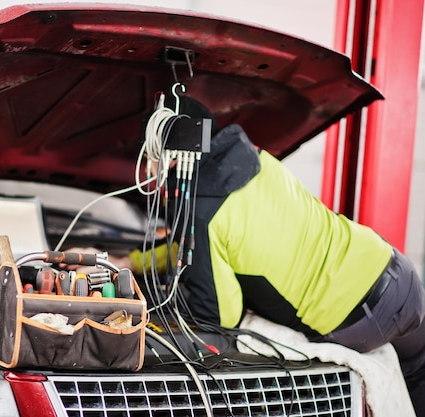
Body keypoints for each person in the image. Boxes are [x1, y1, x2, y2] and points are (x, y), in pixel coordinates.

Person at [80, 96, 425, 415]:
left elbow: (222, 316)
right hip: (399, 275)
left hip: (357, 318)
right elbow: (201, 240)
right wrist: (130, 263)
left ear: (170, 155)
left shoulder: (202, 211)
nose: (148, 165)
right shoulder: (257, 160)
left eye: (150, 153)